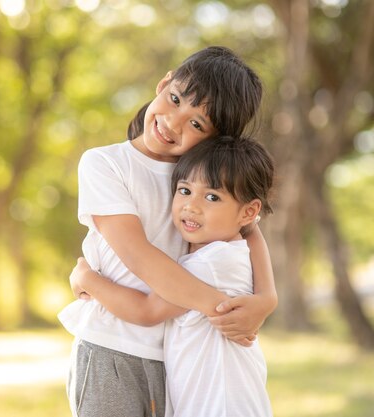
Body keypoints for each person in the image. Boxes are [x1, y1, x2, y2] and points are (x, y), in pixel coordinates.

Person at [57, 46, 277, 417]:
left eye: (197, 124)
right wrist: (218, 306)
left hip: (172, 356)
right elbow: (139, 256)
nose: (173, 122)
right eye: (174, 99)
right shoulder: (106, 164)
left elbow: (250, 231)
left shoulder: (199, 180)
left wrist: (267, 299)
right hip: (111, 346)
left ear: (214, 139)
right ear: (163, 83)